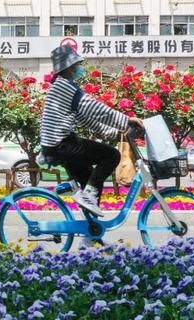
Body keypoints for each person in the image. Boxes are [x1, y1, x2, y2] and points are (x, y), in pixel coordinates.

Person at [40, 45, 142, 217]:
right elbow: (97, 110)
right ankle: (88, 197)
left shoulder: (60, 86)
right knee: (111, 155)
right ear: (69, 67)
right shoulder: (65, 87)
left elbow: (85, 118)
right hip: (62, 144)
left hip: (57, 146)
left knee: (91, 183)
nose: (80, 68)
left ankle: (91, 233)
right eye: (78, 64)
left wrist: (114, 133)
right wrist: (127, 121)